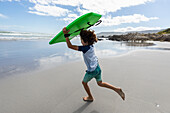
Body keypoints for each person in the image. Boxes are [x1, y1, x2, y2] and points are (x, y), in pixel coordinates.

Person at [62, 27, 125, 102]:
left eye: (81, 40)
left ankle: (90, 97)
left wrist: (66, 35)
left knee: (84, 83)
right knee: (100, 83)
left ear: (85, 41)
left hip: (92, 71)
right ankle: (117, 89)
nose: (81, 41)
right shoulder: (91, 46)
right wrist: (81, 30)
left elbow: (70, 46)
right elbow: (84, 40)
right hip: (97, 68)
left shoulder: (85, 48)